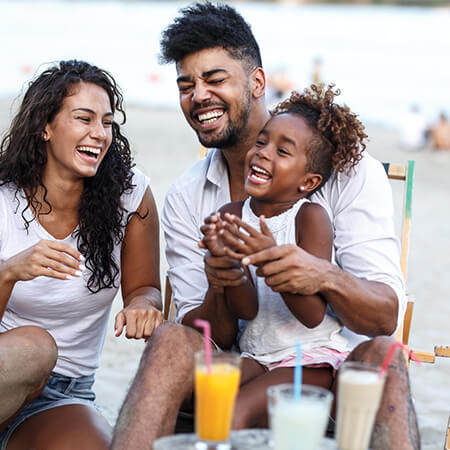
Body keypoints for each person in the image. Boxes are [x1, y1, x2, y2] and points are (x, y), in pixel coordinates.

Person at [111, 3, 419, 449]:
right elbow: (211, 332)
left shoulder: (347, 172)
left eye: (215, 80)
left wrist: (320, 274)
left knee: (385, 356)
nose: (198, 96)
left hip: (336, 365)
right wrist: (222, 280)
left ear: (258, 82)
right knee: (169, 342)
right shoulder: (188, 196)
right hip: (249, 363)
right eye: (186, 85)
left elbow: (383, 315)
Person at [0, 60, 162, 450]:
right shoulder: (3, 199)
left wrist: (143, 305)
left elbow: (145, 288)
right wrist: (9, 272)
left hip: (60, 396)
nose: (99, 134)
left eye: (106, 122)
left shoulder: (130, 195)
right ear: (46, 126)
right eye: (83, 118)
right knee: (36, 348)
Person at [199, 84, 366, 427]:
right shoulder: (233, 213)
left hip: (309, 358)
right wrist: (227, 265)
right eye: (261, 142)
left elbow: (311, 314)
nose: (262, 153)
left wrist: (269, 258)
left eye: (282, 151)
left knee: (234, 415)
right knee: (207, 400)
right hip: (257, 353)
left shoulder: (310, 218)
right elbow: (246, 309)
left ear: (307, 182)